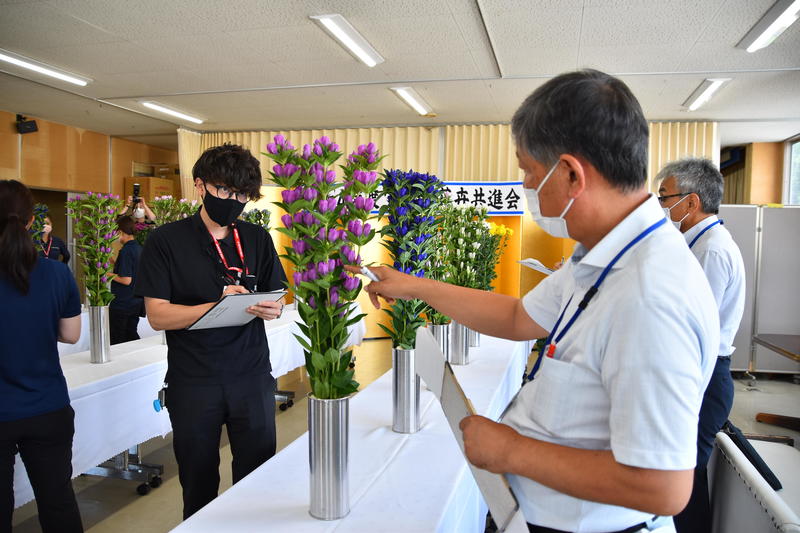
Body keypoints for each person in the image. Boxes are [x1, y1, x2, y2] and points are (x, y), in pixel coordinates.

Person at [347, 70, 719, 533]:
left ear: (570, 173)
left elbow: (662, 486)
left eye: (528, 171)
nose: (524, 184)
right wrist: (413, 285)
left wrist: (510, 451)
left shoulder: (649, 293)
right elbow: (519, 316)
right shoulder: (600, 256)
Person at [134, 144, 287, 519]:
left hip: (251, 377)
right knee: (199, 482)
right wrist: (215, 306)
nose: (233, 201)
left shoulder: (256, 238)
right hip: (194, 383)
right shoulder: (166, 242)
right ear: (200, 185)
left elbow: (278, 294)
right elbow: (157, 316)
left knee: (258, 478)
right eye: (225, 191)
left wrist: (274, 306)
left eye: (241, 195)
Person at [657, 158, 746, 533]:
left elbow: (696, 331)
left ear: (690, 202)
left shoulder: (709, 250)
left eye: (665, 197)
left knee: (686, 479)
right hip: (702, 373)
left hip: (706, 376)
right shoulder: (700, 244)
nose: (661, 206)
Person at [0, 180, 83, 533]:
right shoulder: (55, 272)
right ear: (32, 220)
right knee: (57, 501)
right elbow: (71, 334)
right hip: (47, 406)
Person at [109, 215, 144, 345]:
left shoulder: (126, 251)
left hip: (122, 303)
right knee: (130, 335)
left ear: (120, 232)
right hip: (135, 301)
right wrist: (113, 262)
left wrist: (106, 274)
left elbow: (126, 279)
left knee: (117, 339)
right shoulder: (139, 248)